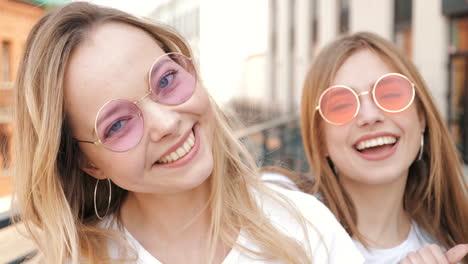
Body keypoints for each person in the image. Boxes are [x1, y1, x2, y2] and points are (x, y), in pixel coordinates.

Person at [12, 2, 364, 264]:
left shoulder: (303, 223)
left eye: (165, 80)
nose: (166, 123)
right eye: (117, 124)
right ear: (87, 162)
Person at [298, 32, 468, 263]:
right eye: (340, 104)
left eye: (390, 94)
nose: (369, 116)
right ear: (319, 138)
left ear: (421, 116)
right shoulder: (287, 227)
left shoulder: (452, 243)